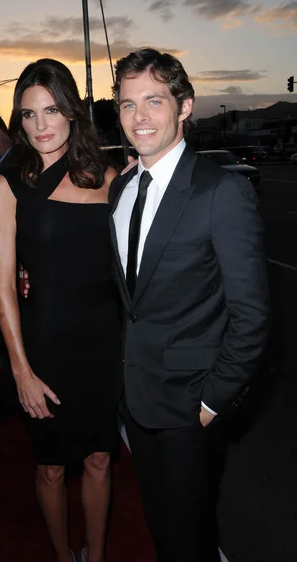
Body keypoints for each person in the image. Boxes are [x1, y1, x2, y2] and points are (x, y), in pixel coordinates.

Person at [110, 48, 270, 562]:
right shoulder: (120, 190)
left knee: (191, 537)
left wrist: (210, 404)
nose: (139, 117)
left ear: (184, 107)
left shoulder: (221, 191)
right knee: (160, 526)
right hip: (135, 398)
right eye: (127, 103)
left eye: (154, 101)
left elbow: (252, 316)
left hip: (188, 408)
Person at [0, 58, 121, 562]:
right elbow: (2, 288)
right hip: (42, 343)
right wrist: (20, 371)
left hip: (103, 342)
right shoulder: (7, 187)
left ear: (72, 112)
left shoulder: (109, 179)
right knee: (50, 466)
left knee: (102, 458)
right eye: (27, 114)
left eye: (52, 110)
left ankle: (98, 554)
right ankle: (64, 556)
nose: (40, 125)